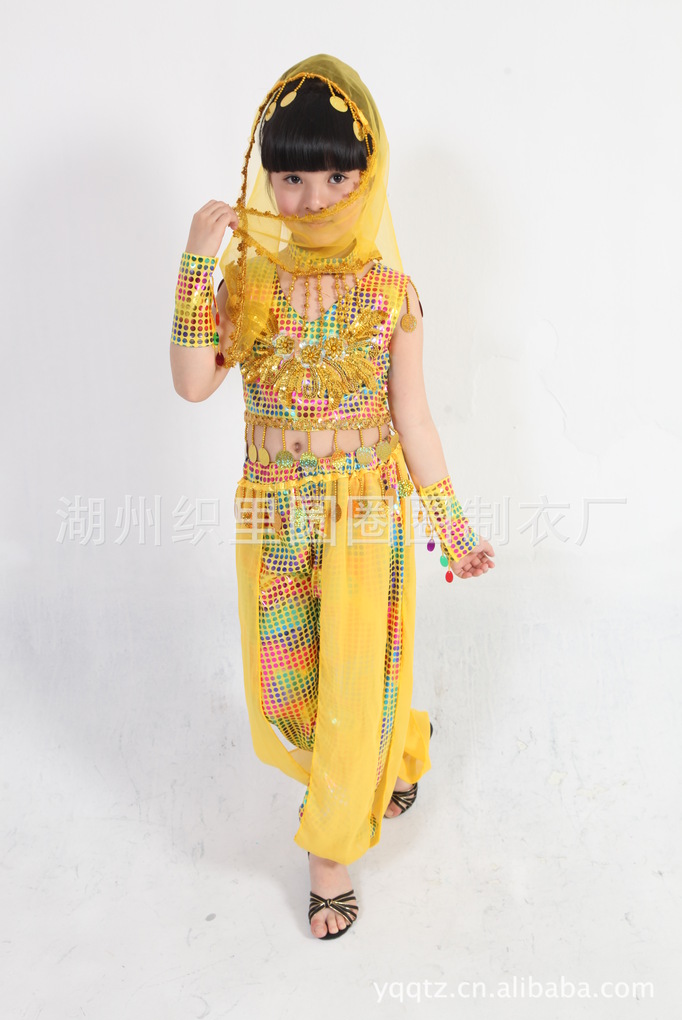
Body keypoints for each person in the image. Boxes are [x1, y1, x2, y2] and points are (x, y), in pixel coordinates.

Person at [169, 54, 495, 940]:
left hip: (365, 516)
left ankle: (329, 850)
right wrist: (197, 267)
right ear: (267, 180)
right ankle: (399, 748)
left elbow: (413, 418)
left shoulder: (392, 295)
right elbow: (193, 384)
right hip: (273, 515)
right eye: (292, 178)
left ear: (367, 176)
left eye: (336, 177)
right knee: (286, 690)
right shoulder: (247, 284)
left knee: (354, 673)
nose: (313, 199)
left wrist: (452, 525)